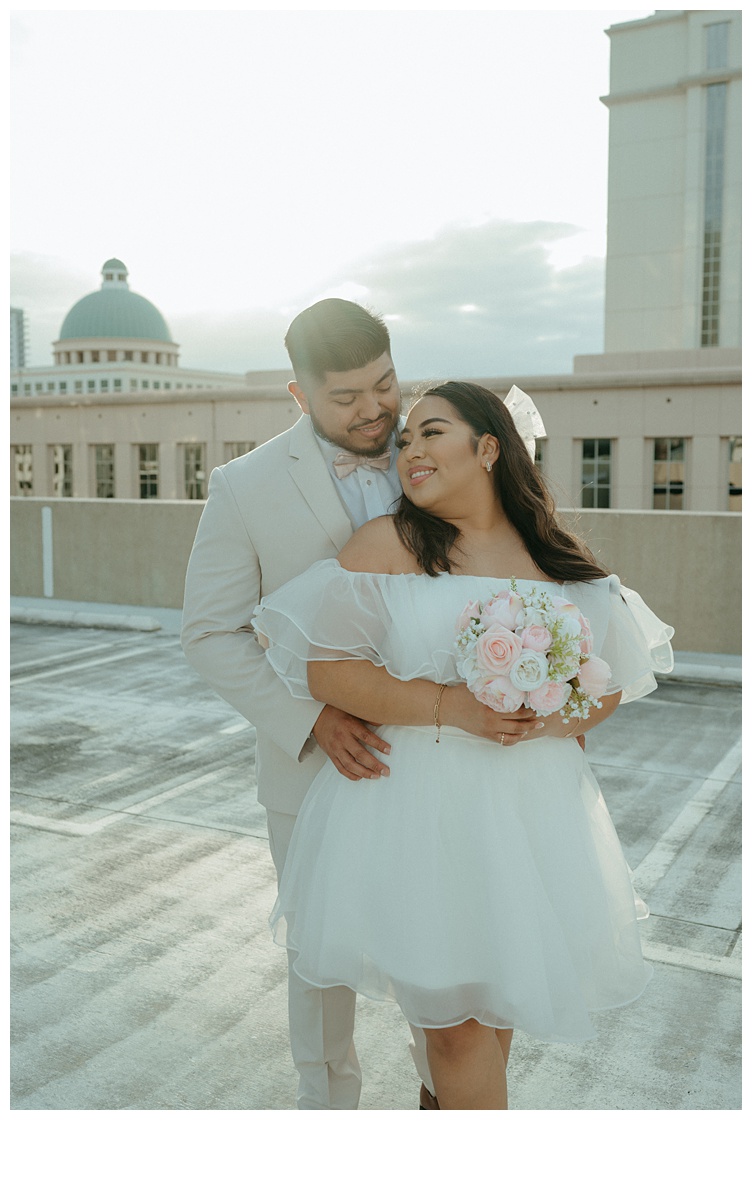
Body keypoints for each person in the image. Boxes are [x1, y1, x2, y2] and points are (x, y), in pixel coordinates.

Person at [252, 380, 674, 1110]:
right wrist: (458, 708)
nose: (410, 450)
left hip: (529, 816)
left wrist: (549, 713)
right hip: (417, 809)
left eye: (431, 433)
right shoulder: (387, 544)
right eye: (405, 440)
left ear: (488, 448)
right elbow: (329, 669)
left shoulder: (557, 558)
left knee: (488, 1020)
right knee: (453, 1031)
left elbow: (607, 684)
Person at [181, 303, 520, 1109]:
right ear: (299, 395)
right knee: (320, 960)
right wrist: (311, 722)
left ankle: (441, 1099)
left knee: (441, 948)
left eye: (385, 383)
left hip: (443, 760)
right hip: (313, 766)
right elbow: (209, 632)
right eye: (347, 397)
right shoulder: (244, 487)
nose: (376, 411)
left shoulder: (440, 447)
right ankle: (327, 1115)